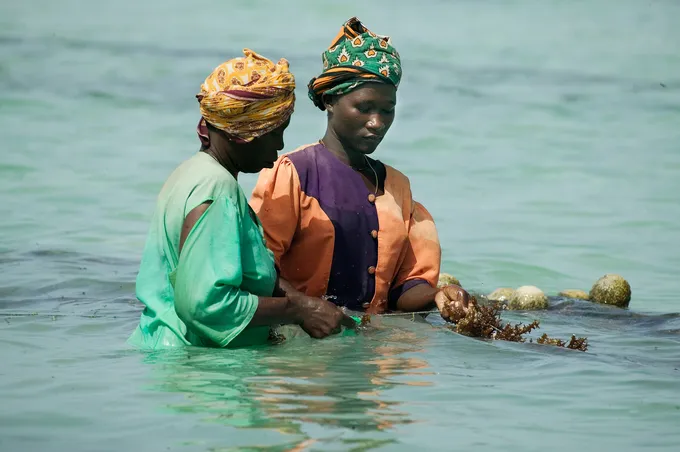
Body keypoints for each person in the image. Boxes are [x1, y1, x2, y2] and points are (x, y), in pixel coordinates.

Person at [128, 49, 355, 350]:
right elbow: (204, 305)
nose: (281, 144)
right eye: (276, 132)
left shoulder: (190, 174)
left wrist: (305, 303)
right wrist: (297, 311)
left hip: (159, 350)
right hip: (197, 367)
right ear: (246, 132)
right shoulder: (217, 190)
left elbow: (241, 275)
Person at [249, 19, 470, 318]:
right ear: (329, 100)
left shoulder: (396, 187)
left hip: (373, 354)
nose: (376, 122)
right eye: (364, 108)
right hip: (299, 349)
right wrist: (305, 309)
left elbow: (403, 289)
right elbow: (257, 268)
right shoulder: (295, 174)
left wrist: (438, 295)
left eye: (387, 110)